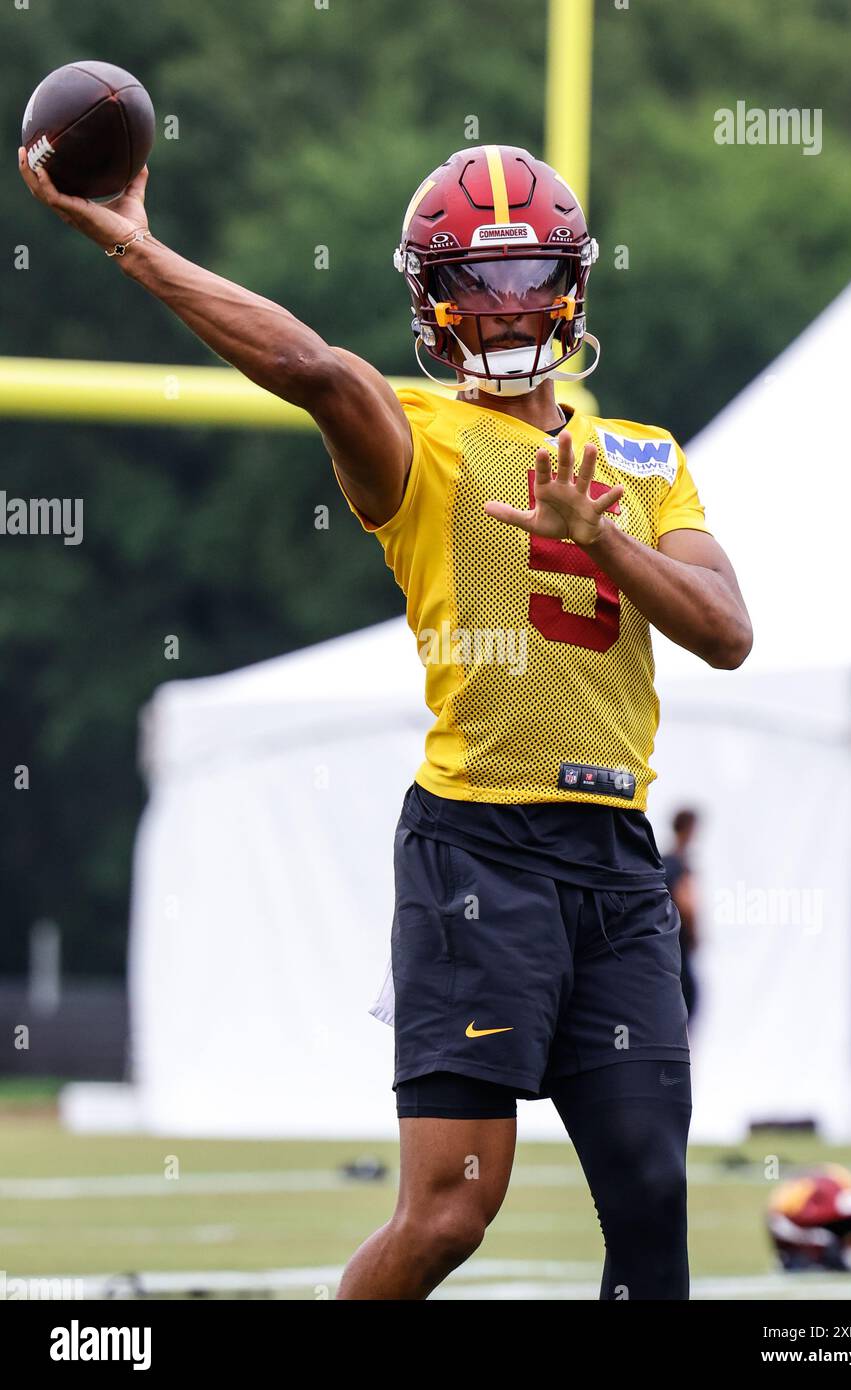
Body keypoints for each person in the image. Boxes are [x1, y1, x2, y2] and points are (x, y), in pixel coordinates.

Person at [20, 142, 752, 1300]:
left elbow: (724, 631)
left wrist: (599, 532)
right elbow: (307, 362)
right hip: (480, 854)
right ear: (429, 302)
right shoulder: (412, 439)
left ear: (571, 284)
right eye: (474, 282)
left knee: (653, 1195)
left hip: (616, 867)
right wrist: (131, 241)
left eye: (524, 277)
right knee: (452, 1210)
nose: (504, 306)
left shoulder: (642, 459)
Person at [662, 809, 701, 1025]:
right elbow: (686, 903)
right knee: (686, 1004)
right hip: (680, 944)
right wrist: (694, 932)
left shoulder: (663, 861)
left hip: (670, 945)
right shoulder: (678, 863)